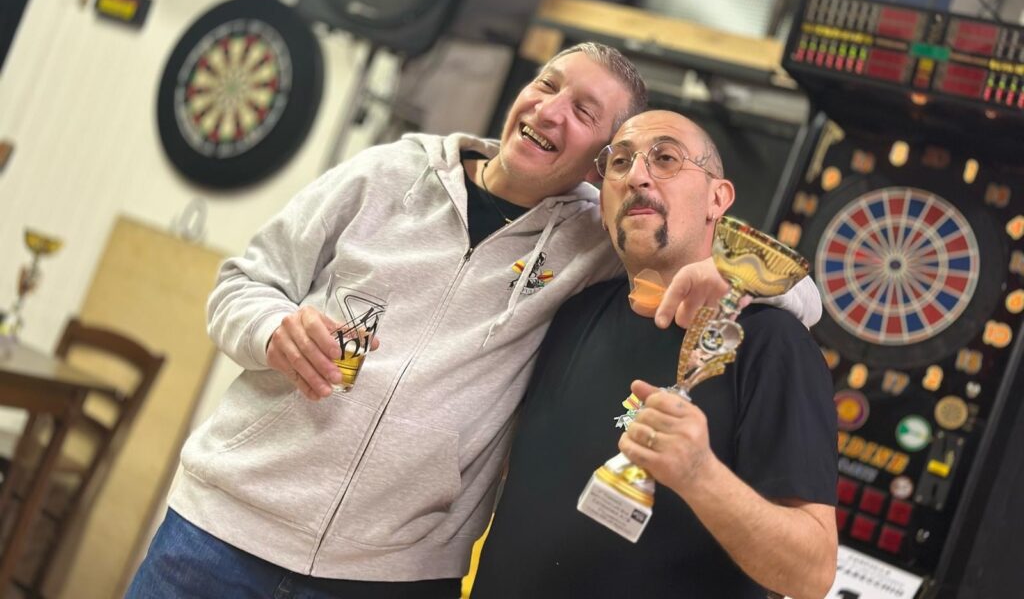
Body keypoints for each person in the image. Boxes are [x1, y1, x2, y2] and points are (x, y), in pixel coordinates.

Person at [128, 45, 821, 598]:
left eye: (584, 112)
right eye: (547, 85)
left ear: (593, 166)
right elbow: (242, 284)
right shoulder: (387, 173)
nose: (551, 110)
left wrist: (736, 279)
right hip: (223, 529)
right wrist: (272, 329)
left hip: (393, 575)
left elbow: (734, 263)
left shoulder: (594, 241)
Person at [471, 110, 838, 599]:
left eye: (666, 158)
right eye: (619, 162)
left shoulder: (771, 343)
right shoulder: (569, 313)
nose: (637, 176)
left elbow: (811, 574)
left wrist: (699, 475)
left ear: (717, 199)